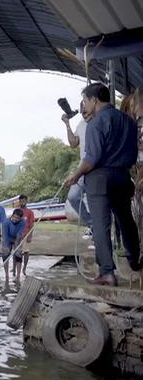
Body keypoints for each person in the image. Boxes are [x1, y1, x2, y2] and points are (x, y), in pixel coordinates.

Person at [64, 83, 141, 286]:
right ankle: (135, 260)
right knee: (126, 219)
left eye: (86, 101)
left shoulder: (96, 123)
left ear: (94, 100)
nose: (85, 106)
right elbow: (134, 153)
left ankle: (107, 272)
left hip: (100, 178)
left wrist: (76, 175)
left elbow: (91, 159)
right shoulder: (129, 121)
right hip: (123, 176)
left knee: (100, 225)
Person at [63, 100, 93, 241]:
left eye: (85, 108)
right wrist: (67, 124)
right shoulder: (81, 124)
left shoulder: (100, 121)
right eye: (81, 110)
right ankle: (92, 225)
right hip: (83, 169)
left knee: (96, 201)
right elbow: (73, 143)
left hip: (97, 169)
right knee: (73, 197)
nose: (83, 112)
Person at [1, 209, 26, 284]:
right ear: (12, 215)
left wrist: (16, 244)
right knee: (5, 254)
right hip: (7, 237)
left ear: (20, 218)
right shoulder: (6, 222)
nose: (15, 219)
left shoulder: (23, 222)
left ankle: (18, 275)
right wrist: (6, 247)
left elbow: (19, 234)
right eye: (14, 217)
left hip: (17, 237)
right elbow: (5, 236)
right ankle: (7, 275)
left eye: (17, 218)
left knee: (18, 254)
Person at [17, 194, 35, 277]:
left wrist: (30, 236)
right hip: (17, 235)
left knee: (26, 252)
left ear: (26, 201)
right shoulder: (17, 211)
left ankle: (24, 268)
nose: (22, 203)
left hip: (26, 234)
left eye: (23, 201)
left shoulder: (30, 212)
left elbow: (31, 225)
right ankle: (16, 269)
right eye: (20, 201)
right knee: (17, 252)